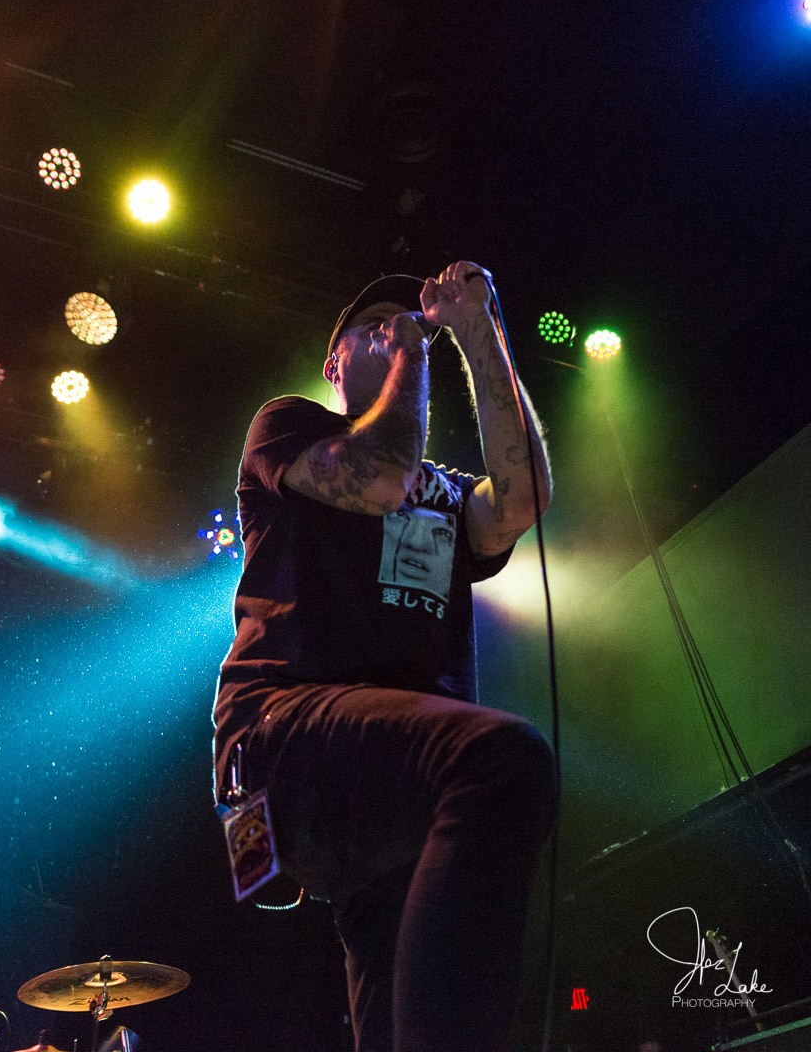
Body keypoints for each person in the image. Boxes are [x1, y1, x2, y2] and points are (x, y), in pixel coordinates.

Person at [213, 261, 558, 1052]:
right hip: (283, 730)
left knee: (393, 1001)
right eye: (371, 327)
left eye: (404, 323)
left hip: (394, 772)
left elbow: (522, 499)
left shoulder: (444, 492)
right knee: (501, 758)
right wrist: (408, 350)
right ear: (333, 364)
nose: (395, 329)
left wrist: (477, 329)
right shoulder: (288, 427)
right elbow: (383, 479)